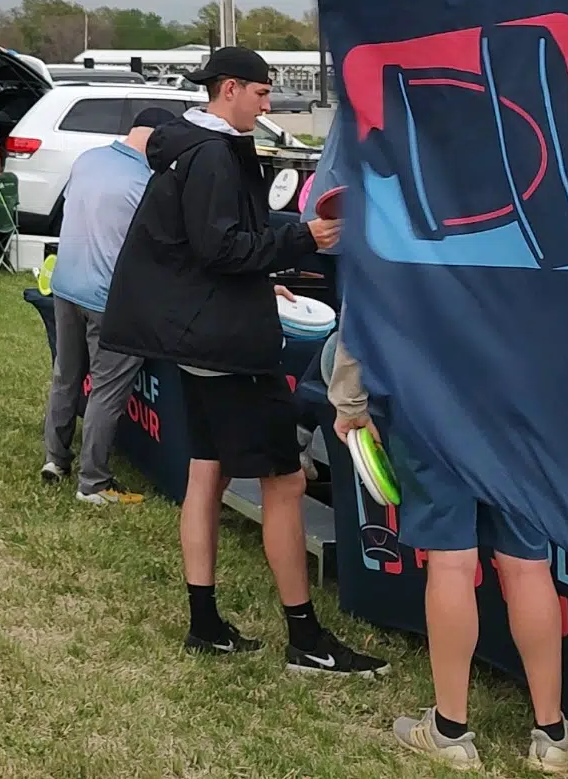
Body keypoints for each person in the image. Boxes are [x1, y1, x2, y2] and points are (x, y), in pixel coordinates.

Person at [101, 45, 382, 675]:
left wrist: (266, 275)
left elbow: (204, 248)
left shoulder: (185, 148)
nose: (268, 105)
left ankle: (205, 622)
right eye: (261, 94)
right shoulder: (212, 155)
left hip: (196, 337)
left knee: (207, 471)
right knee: (285, 481)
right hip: (227, 348)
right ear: (230, 88)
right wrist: (299, 237)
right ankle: (306, 637)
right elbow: (221, 246)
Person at [325, 334, 568, 769]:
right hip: (523, 404)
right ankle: (552, 734)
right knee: (527, 565)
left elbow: (368, 300)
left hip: (432, 402)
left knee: (451, 561)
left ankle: (449, 731)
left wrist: (350, 402)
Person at [43, 106, 169, 504]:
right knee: (107, 389)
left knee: (65, 376)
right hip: (109, 300)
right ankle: (93, 483)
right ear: (156, 139)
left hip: (64, 285)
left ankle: (55, 459)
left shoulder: (88, 159)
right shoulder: (148, 182)